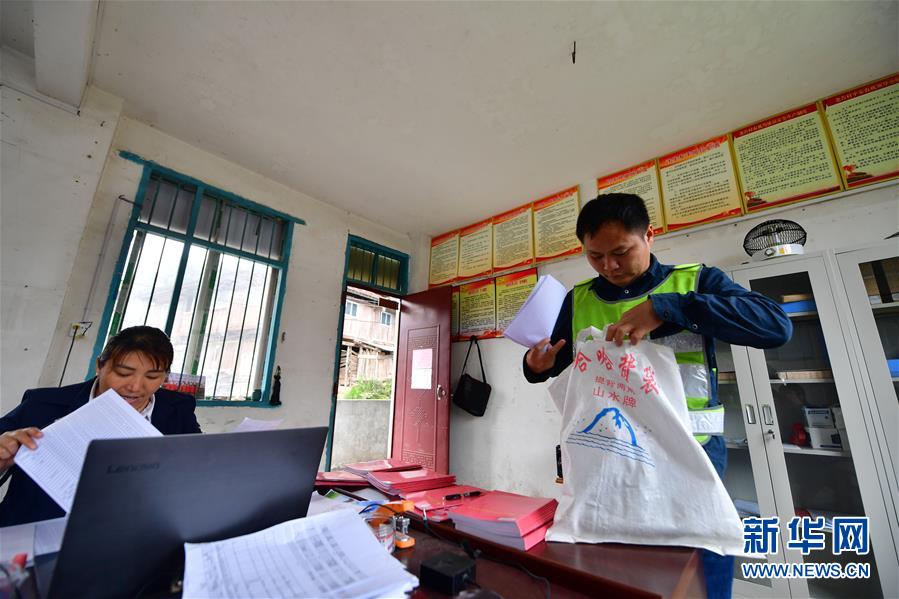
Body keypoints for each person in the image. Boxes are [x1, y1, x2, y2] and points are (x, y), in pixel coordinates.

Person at [523, 193, 792, 599]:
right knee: (613, 565)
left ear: (649, 235)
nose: (609, 266)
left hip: (691, 449)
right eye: (595, 256)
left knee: (698, 564)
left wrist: (666, 308)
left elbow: (775, 326)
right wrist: (534, 364)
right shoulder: (577, 299)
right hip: (607, 455)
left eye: (620, 252)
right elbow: (554, 361)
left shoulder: (695, 282)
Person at [0, 326, 201, 526]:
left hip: (131, 532)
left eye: (152, 377)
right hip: (34, 532)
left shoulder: (178, 410)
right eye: (123, 373)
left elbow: (198, 468)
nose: (135, 387)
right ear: (100, 366)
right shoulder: (43, 405)